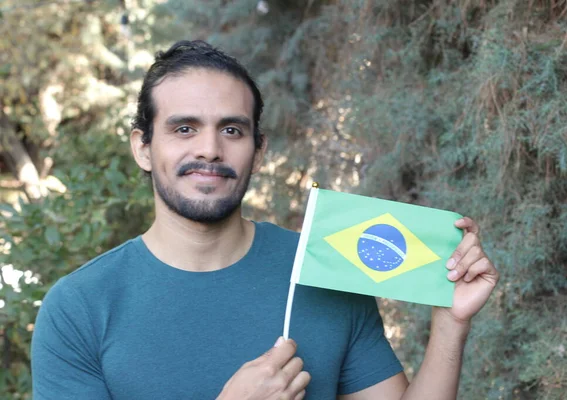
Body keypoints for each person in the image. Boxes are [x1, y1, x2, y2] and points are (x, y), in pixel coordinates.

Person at [31, 40, 499, 400]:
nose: (210, 149)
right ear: (142, 147)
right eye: (184, 128)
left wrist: (450, 324)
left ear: (258, 151)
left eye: (232, 130)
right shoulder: (79, 309)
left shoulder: (324, 269)